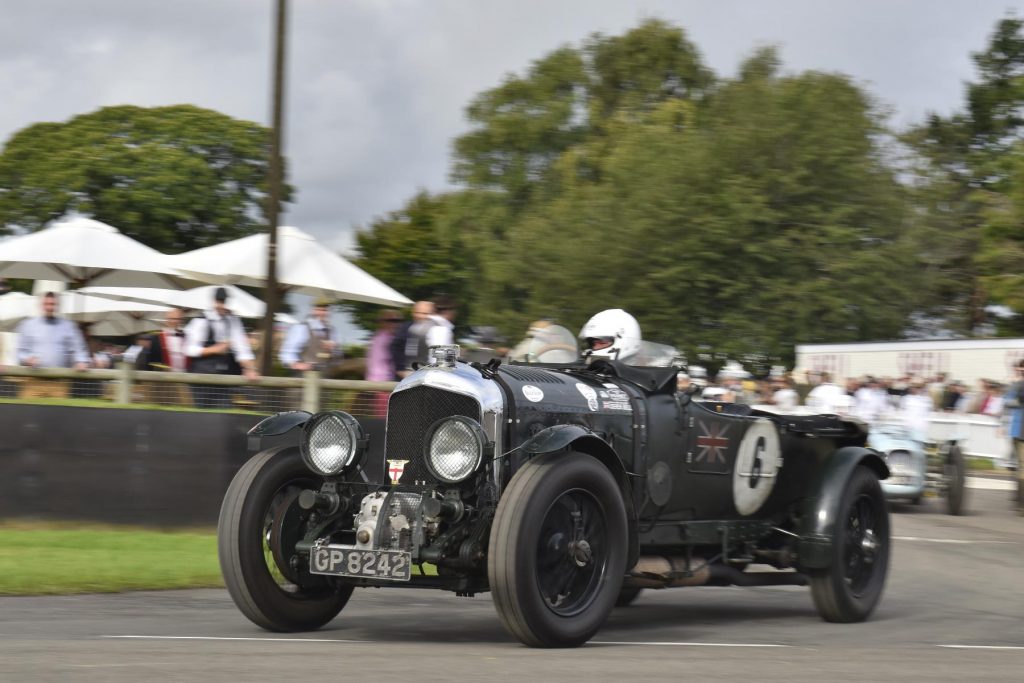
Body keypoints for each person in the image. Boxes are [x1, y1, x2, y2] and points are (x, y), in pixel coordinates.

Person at [185, 287, 257, 408]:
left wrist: (250, 369)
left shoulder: (233, 320)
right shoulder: (200, 320)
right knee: (202, 416)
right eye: (219, 301)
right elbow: (189, 349)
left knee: (224, 414)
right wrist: (215, 349)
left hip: (224, 378)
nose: (221, 305)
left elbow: (242, 349)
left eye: (223, 301)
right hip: (202, 379)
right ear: (214, 301)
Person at [279, 298, 342, 374]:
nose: (322, 313)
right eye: (318, 310)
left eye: (325, 310)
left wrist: (333, 350)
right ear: (312, 311)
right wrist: (296, 364)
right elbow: (287, 353)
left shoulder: (332, 331)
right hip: (304, 377)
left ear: (329, 312)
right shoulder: (302, 328)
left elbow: (337, 360)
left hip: (326, 377)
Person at [364, 309, 402, 416]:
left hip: (380, 384)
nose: (395, 323)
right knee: (384, 417)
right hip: (383, 385)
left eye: (398, 320)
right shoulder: (386, 340)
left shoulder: (378, 338)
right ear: (382, 322)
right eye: (391, 320)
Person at [136, 307, 188, 372]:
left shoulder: (186, 337)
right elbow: (143, 361)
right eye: (172, 318)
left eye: (178, 319)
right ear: (166, 319)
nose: (174, 321)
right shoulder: (155, 338)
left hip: (184, 376)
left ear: (181, 320)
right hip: (162, 378)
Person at [390, 300, 435, 377]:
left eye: (425, 313)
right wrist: (400, 369)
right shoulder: (405, 328)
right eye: (417, 312)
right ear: (413, 313)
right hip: (407, 373)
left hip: (428, 374)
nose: (420, 316)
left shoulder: (437, 330)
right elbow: (395, 348)